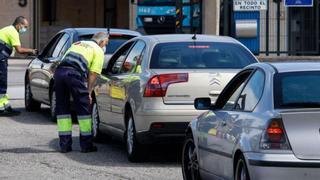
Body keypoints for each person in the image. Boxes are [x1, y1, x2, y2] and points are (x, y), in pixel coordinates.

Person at [54, 32, 108, 153]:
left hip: (60, 73)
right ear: (102, 42)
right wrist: (89, 92)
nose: (105, 46)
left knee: (62, 109)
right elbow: (93, 73)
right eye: (106, 43)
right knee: (83, 108)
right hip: (73, 74)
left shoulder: (77, 43)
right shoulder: (98, 51)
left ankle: (65, 145)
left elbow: (63, 59)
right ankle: (86, 145)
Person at [0, 16, 37, 116]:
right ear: (19, 25)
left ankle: (6, 106)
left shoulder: (8, 29)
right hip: (0, 59)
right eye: (24, 26)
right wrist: (32, 51)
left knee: (2, 83)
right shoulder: (13, 32)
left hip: (2, 58)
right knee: (2, 82)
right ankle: (1, 108)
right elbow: (19, 50)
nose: (25, 29)